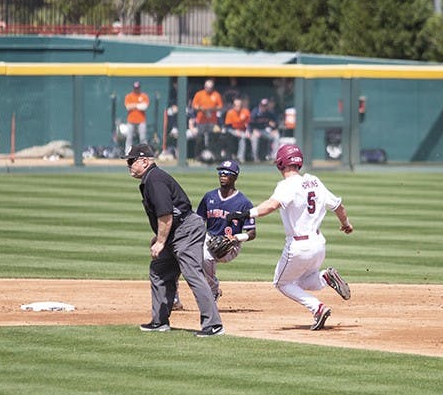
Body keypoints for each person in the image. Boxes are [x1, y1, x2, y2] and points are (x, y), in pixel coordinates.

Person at [226, 144, 353, 331]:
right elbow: (339, 207)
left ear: (280, 163)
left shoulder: (286, 185)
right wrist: (346, 224)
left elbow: (271, 205)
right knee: (301, 281)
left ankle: (317, 308)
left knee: (281, 283)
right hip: (319, 245)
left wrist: (247, 214)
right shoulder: (315, 181)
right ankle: (325, 277)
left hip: (298, 246)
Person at [123, 143, 224, 337]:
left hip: (185, 229)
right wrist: (160, 236)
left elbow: (166, 213)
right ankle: (160, 321)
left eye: (130, 161)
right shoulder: (150, 178)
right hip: (176, 229)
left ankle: (214, 325)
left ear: (144, 161)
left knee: (192, 273)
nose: (128, 165)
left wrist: (161, 241)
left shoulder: (155, 180)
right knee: (159, 271)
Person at [173, 160, 256, 310]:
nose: (223, 175)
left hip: (231, 245)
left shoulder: (243, 203)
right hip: (209, 238)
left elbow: (252, 233)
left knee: (206, 256)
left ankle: (213, 290)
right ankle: (174, 297)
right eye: (220, 172)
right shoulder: (209, 197)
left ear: (235, 177)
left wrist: (236, 238)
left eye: (227, 173)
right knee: (183, 255)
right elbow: (198, 221)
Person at [191, 79, 223, 155]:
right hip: (201, 121)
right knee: (200, 138)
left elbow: (220, 106)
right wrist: (202, 109)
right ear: (205, 87)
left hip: (212, 121)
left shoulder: (216, 95)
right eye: (207, 87)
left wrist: (211, 109)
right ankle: (198, 155)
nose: (209, 89)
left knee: (213, 138)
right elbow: (194, 106)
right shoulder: (199, 94)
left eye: (211, 88)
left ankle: (212, 155)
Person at [124, 81, 150, 152]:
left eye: (138, 88)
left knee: (143, 138)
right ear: (133, 88)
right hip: (131, 121)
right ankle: (128, 153)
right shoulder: (129, 96)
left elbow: (144, 107)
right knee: (129, 138)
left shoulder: (144, 96)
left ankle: (145, 153)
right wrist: (138, 105)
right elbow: (128, 107)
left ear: (140, 88)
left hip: (141, 121)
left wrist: (134, 105)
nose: (136, 89)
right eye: (135, 88)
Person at [224, 97, 251, 163]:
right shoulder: (230, 113)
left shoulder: (245, 111)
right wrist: (236, 131)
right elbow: (227, 126)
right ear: (233, 106)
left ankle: (241, 158)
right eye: (236, 105)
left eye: (239, 105)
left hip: (242, 130)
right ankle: (235, 156)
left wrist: (248, 131)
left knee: (246, 137)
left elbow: (248, 123)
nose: (238, 107)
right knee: (242, 136)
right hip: (232, 130)